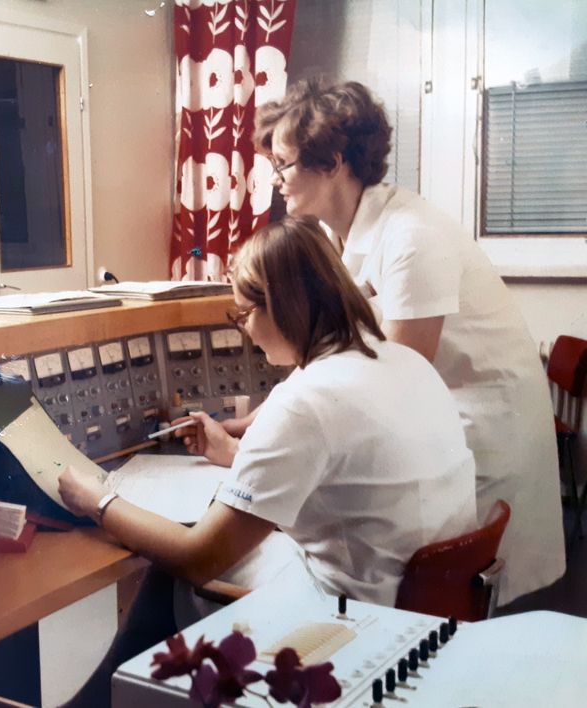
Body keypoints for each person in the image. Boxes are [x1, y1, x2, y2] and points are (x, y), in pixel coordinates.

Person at [240, 77, 564, 605]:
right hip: (437, 414)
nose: (275, 180)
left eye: (283, 164)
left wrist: (266, 439)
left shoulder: (412, 235)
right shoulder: (336, 236)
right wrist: (253, 422)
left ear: (333, 161)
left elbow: (393, 378)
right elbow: (337, 354)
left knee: (462, 593)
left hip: (481, 423)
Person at [58, 216, 478, 611]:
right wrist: (235, 455)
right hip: (424, 608)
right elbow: (350, 481)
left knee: (167, 564)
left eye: (243, 313)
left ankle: (136, 668)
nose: (244, 329)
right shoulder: (407, 361)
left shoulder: (304, 400)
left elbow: (197, 558)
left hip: (351, 618)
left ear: (281, 306)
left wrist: (99, 502)